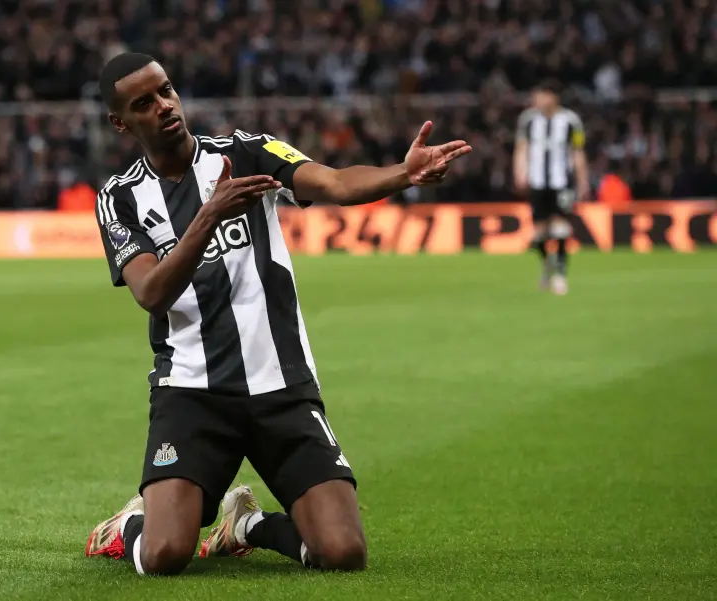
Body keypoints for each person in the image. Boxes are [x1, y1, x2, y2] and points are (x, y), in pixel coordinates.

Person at [85, 52, 472, 576]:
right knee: (164, 555)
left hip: (281, 384)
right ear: (120, 122)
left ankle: (246, 525)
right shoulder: (120, 197)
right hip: (193, 393)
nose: (164, 106)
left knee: (343, 553)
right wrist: (208, 217)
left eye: (166, 90)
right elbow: (151, 292)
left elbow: (334, 184)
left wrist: (403, 173)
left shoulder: (248, 152)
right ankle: (131, 524)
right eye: (143, 103)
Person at [513, 79, 590, 296]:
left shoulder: (571, 121)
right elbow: (521, 148)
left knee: (561, 227)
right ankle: (547, 265)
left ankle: (560, 274)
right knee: (538, 233)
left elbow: (578, 152)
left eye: (540, 95)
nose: (536, 99)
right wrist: (519, 172)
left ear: (553, 97)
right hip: (537, 182)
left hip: (562, 182)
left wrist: (583, 180)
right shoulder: (528, 119)